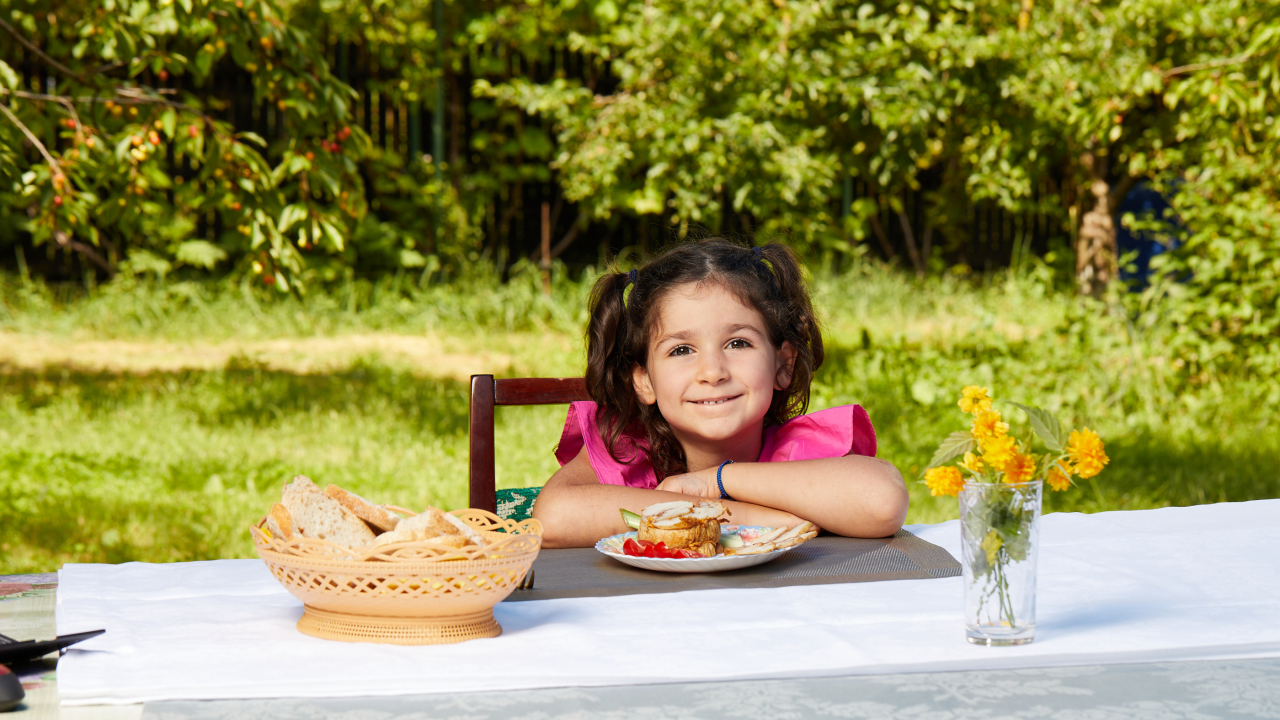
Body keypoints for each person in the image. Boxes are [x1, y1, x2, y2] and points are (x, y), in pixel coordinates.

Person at [532, 239, 908, 548]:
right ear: (643, 381)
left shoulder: (798, 453)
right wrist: (747, 518)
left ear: (783, 364)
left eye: (738, 343)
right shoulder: (626, 447)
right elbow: (553, 518)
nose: (712, 372)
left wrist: (716, 481)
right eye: (681, 350)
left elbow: (883, 502)